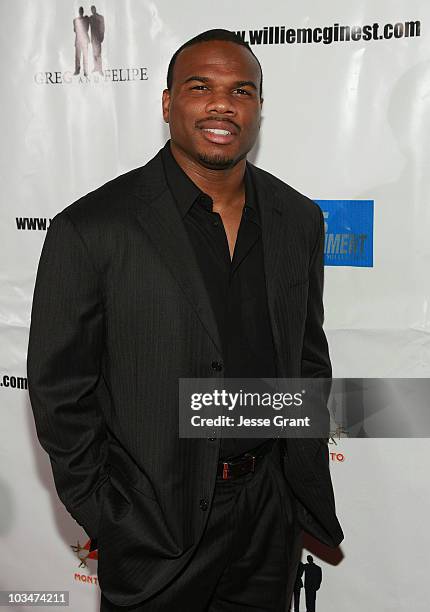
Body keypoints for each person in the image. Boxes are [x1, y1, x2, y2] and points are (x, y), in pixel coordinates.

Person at [27, 29, 343, 611]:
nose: (222, 104)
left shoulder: (297, 218)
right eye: (201, 87)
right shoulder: (94, 227)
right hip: (154, 526)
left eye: (241, 90)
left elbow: (306, 358)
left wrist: (291, 490)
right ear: (169, 103)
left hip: (267, 519)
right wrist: (110, 512)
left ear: (258, 109)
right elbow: (59, 390)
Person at [73, 6, 90, 77]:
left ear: (83, 11)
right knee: (77, 56)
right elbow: (74, 30)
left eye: (81, 10)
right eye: (80, 10)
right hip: (78, 40)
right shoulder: (75, 20)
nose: (81, 12)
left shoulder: (86, 19)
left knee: (85, 56)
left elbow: (87, 28)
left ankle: (85, 71)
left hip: (84, 40)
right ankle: (77, 69)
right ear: (79, 12)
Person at [89, 5, 105, 74]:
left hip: (98, 38)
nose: (93, 11)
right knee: (94, 54)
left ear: (95, 9)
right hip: (93, 39)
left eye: (93, 9)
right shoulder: (91, 18)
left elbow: (103, 28)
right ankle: (96, 67)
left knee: (98, 54)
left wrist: (102, 37)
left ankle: (100, 69)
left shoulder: (100, 17)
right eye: (91, 10)